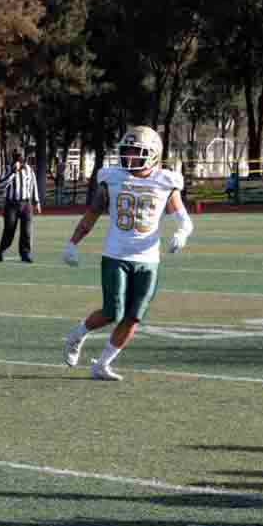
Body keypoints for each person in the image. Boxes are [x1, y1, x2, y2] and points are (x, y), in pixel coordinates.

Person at [61, 125, 193, 381]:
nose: (129, 157)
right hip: (116, 255)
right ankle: (77, 335)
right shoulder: (111, 177)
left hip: (148, 260)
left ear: (153, 154)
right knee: (113, 312)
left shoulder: (166, 180)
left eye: (137, 152)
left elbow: (184, 219)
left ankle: (102, 364)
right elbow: (93, 213)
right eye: (127, 151)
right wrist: (72, 242)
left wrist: (182, 233)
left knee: (134, 317)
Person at [0, 152, 41, 263]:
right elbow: (1, 185)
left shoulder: (29, 169)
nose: (21, 162)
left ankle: (25, 254)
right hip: (11, 204)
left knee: (26, 231)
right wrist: (13, 172)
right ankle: (1, 249)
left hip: (26, 204)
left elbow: (33, 184)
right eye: (18, 160)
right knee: (9, 230)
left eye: (22, 160)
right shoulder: (7, 169)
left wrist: (36, 202)